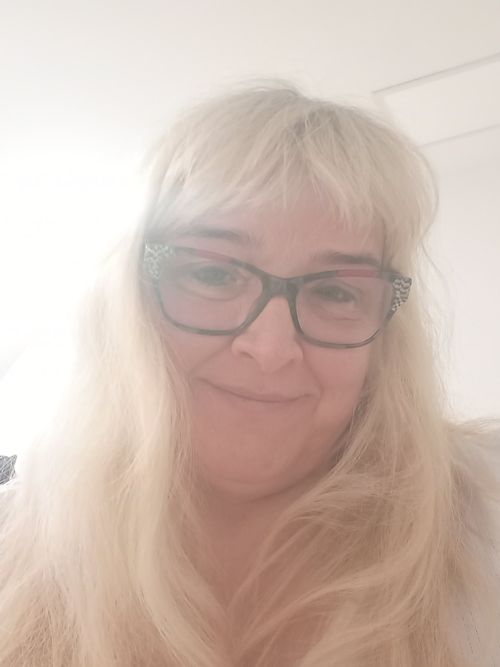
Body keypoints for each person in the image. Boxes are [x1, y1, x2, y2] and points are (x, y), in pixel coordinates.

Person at [0, 81, 499, 667]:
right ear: (132, 297)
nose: (270, 348)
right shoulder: (17, 539)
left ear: (387, 337)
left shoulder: (482, 513)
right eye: (214, 275)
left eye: (335, 291)